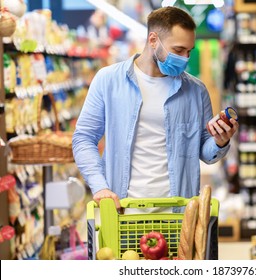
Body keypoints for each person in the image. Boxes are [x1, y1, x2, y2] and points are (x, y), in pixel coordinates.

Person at [72, 6, 238, 213]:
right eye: (178, 50)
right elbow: (84, 138)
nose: (185, 59)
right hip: (123, 210)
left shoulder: (196, 91)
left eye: (189, 51)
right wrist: (100, 187)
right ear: (153, 40)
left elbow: (205, 152)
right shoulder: (108, 80)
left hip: (178, 214)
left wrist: (220, 141)